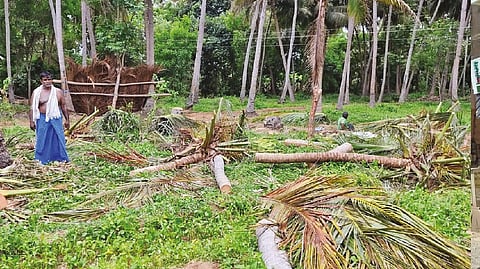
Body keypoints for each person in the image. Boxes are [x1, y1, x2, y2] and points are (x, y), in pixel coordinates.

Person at [29, 71, 70, 164]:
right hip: (42, 119)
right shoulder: (36, 93)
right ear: (41, 81)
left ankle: (60, 158)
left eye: (49, 79)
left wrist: (67, 120)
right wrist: (31, 121)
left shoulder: (58, 92)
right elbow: (32, 107)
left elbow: (63, 106)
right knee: (42, 139)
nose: (47, 81)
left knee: (59, 137)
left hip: (55, 118)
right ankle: (41, 159)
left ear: (52, 80)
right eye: (45, 80)